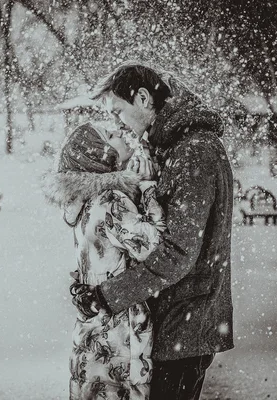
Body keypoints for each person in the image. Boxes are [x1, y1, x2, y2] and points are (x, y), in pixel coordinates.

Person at [70, 62, 234, 400]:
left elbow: (177, 252)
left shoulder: (194, 151)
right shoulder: (176, 147)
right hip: (177, 320)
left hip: (186, 323)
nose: (117, 124)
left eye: (118, 112)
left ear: (143, 98)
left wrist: (107, 295)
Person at [43, 122, 166, 400]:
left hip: (92, 332)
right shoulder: (110, 201)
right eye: (110, 135)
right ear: (100, 154)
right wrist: (148, 190)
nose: (120, 133)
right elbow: (155, 247)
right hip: (118, 335)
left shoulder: (84, 202)